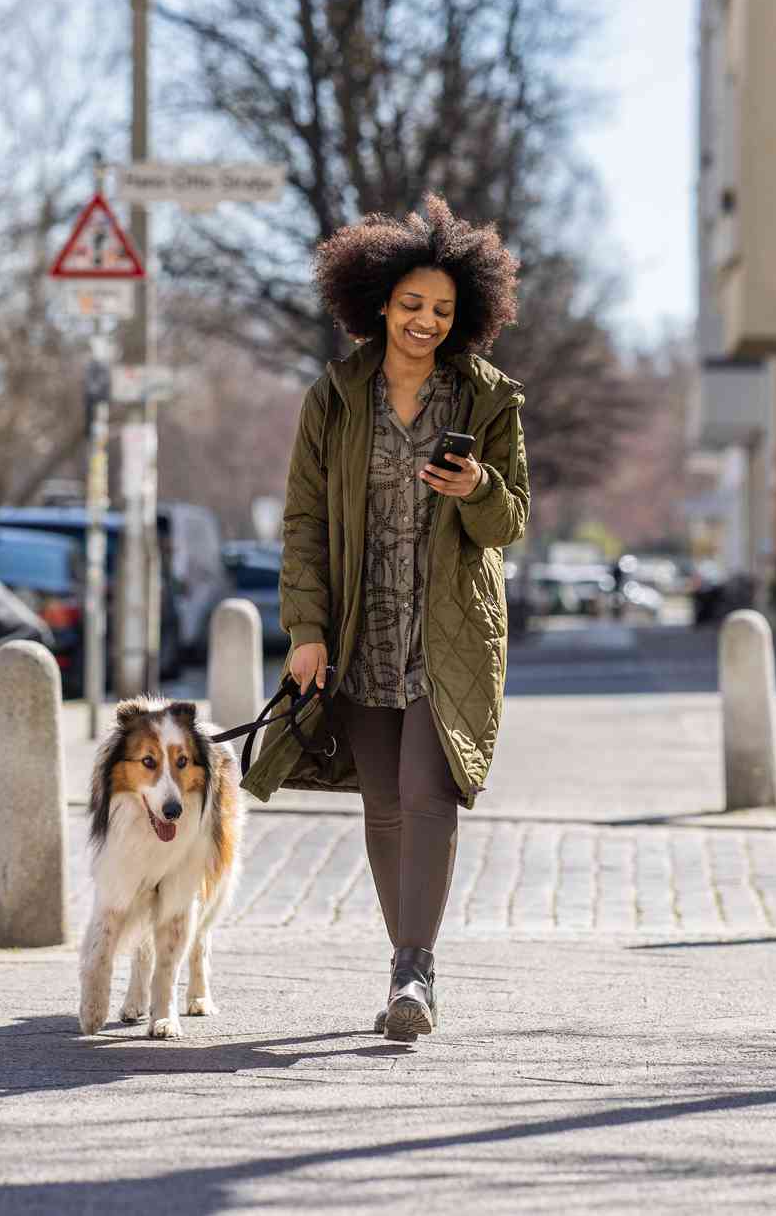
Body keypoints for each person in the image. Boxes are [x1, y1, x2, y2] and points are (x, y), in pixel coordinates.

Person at [239, 193, 530, 1043]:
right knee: (382, 805)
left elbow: (510, 521)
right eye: (412, 306)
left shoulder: (486, 400)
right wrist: (305, 631)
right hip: (361, 631)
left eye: (442, 310)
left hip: (447, 633)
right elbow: (303, 522)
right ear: (378, 304)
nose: (426, 323)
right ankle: (407, 956)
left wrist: (477, 489)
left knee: (425, 791)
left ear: (464, 315)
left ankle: (414, 968)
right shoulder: (333, 398)